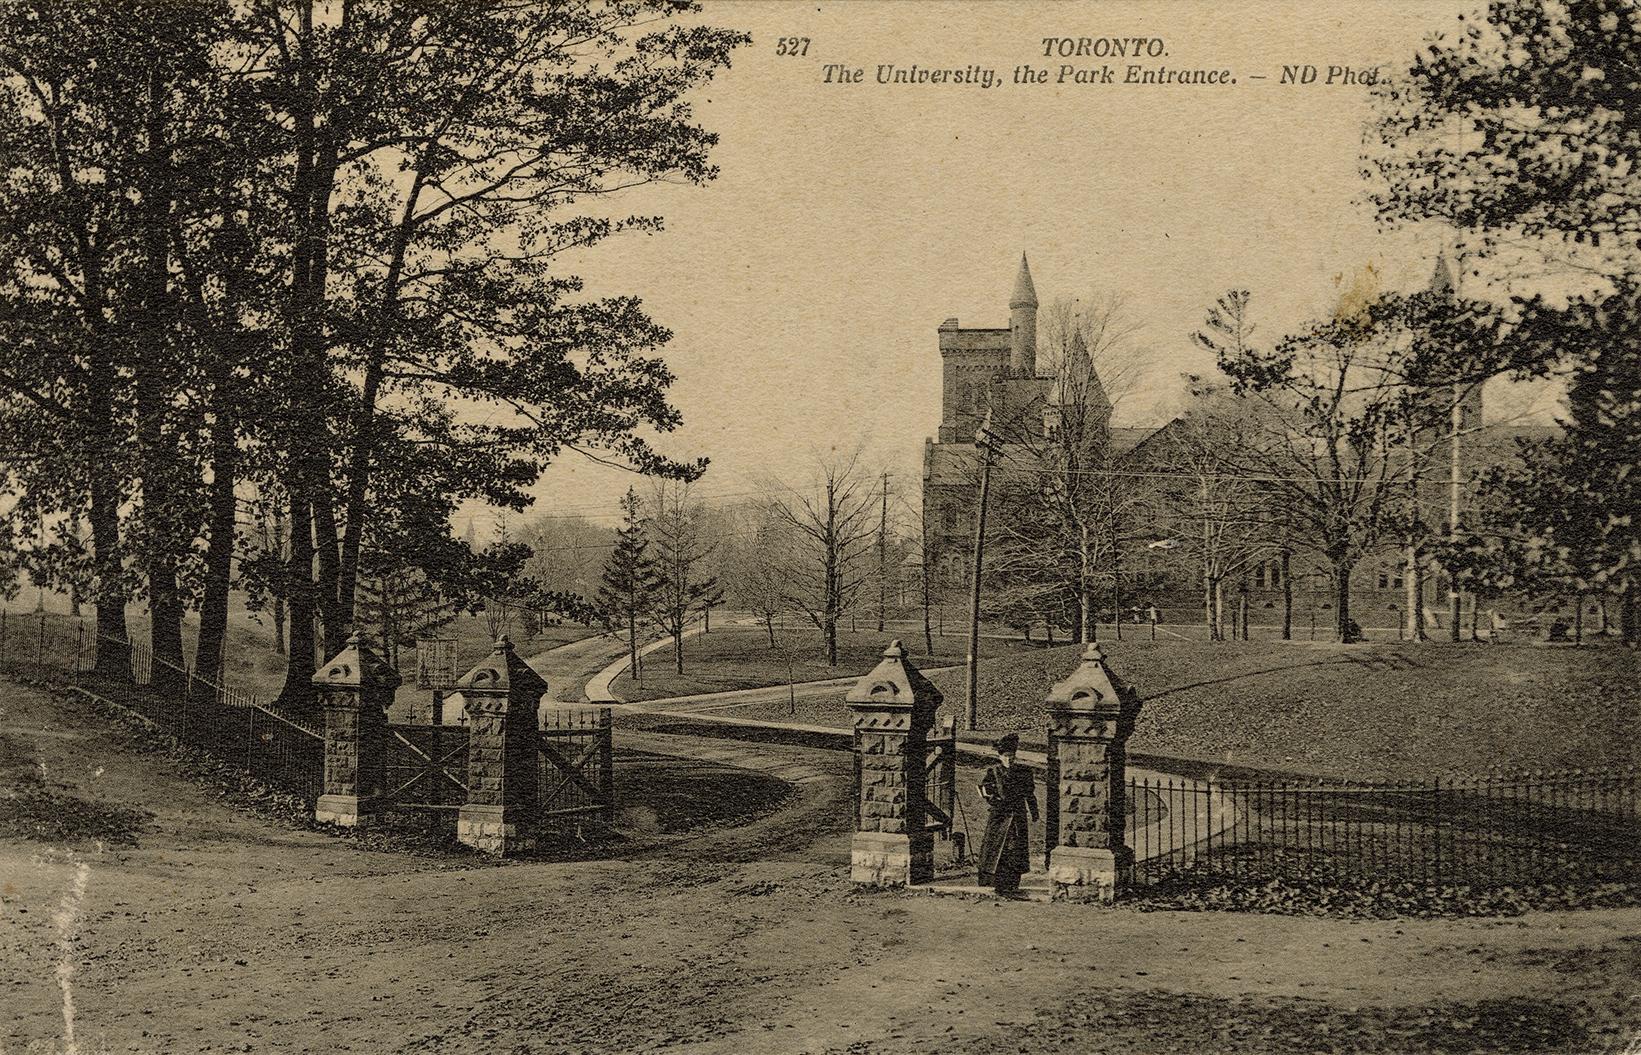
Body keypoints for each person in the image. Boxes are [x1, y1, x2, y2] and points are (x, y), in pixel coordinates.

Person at [977, 733, 1038, 896]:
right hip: (999, 817)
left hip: (1017, 816)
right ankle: (996, 883)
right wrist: (994, 801)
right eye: (1005, 757)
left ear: (1015, 756)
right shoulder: (994, 772)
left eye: (1011, 757)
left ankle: (1012, 883)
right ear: (1000, 757)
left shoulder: (1024, 772)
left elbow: (1030, 794)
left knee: (1015, 849)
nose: (1009, 760)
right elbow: (984, 790)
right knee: (997, 848)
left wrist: (1034, 812)